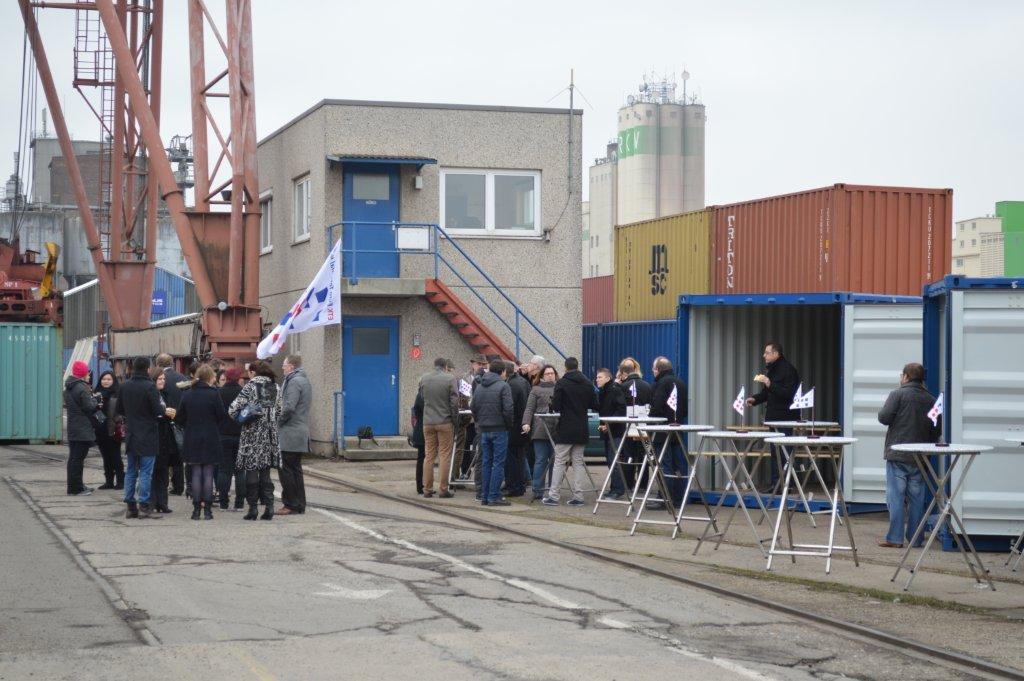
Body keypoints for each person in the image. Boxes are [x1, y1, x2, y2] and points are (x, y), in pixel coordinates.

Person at [877, 363, 941, 549]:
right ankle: (916, 538)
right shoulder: (931, 399)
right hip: (920, 457)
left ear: (905, 376)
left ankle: (895, 539)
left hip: (898, 454)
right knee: (917, 500)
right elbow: (937, 429)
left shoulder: (897, 394)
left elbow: (883, 418)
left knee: (895, 498)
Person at [229, 360, 281, 521]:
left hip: (252, 433)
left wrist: (242, 419)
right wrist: (270, 420)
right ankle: (270, 506)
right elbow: (280, 410)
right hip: (270, 434)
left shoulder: (250, 387)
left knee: (251, 470)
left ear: (253, 373)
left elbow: (232, 409)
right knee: (265, 471)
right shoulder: (276, 387)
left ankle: (252, 509)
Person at [543, 357, 597, 507]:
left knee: (560, 461)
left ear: (565, 367)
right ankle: (578, 496)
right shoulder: (587, 383)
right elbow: (593, 404)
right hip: (582, 428)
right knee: (578, 462)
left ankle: (553, 496)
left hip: (566, 428)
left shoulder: (562, 383)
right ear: (577, 366)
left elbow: (556, 406)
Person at [746, 341, 801, 486]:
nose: (764, 356)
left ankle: (786, 485)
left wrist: (770, 384)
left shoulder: (788, 370)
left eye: (767, 353)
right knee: (775, 453)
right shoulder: (772, 370)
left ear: (776, 354)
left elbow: (789, 394)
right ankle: (776, 484)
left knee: (784, 453)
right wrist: (755, 399)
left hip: (785, 419)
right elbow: (767, 394)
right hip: (773, 419)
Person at [117, 356, 166, 519]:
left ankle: (130, 506)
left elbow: (120, 409)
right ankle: (144, 505)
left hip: (131, 434)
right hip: (148, 435)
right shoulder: (150, 387)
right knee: (146, 472)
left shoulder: (124, 386)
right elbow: (158, 411)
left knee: (131, 471)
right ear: (147, 369)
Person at [177, 364, 227, 520]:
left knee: (196, 472)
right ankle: (208, 511)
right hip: (211, 436)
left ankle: (196, 509)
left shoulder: (187, 394)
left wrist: (189, 425)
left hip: (192, 436)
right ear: (210, 377)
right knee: (208, 473)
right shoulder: (214, 394)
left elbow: (180, 418)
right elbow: (221, 415)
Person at [471, 359, 513, 506]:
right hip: (499, 429)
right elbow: (508, 409)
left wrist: (480, 422)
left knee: (486, 462)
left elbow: (473, 407)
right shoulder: (504, 386)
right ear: (503, 372)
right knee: (498, 463)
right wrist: (508, 425)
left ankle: (484, 495)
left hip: (483, 429)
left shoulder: (480, 386)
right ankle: (494, 496)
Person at [649, 356, 689, 506]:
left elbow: (657, 407)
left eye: (653, 369)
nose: (652, 372)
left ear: (658, 369)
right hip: (678, 428)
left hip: (661, 430)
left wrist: (649, 421)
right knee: (679, 465)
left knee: (664, 464)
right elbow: (684, 409)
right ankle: (679, 498)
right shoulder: (680, 382)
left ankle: (665, 498)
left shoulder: (661, 383)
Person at [418, 357, 459, 499]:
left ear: (434, 365)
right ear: (445, 366)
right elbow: (454, 403)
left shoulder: (424, 378)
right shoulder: (450, 379)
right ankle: (443, 489)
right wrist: (455, 420)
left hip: (428, 422)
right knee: (444, 455)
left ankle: (427, 489)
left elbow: (422, 398)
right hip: (445, 421)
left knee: (429, 455)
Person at [278, 354, 312, 515]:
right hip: (299, 431)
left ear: (291, 366)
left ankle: (290, 503)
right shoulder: (303, 380)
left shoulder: (294, 382)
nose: (282, 367)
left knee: (287, 469)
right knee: (296, 469)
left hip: (290, 432)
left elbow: (289, 407)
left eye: (284, 365)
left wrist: (277, 422)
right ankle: (299, 504)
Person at [523, 365, 558, 500]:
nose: (550, 375)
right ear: (542, 375)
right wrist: (526, 423)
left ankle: (553, 489)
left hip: (556, 429)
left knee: (555, 461)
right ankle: (537, 489)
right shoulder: (536, 389)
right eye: (547, 373)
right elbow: (529, 408)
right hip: (540, 428)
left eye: (552, 373)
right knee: (541, 460)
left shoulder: (560, 388)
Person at [64, 360, 99, 496]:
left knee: (73, 458)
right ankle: (76, 489)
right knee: (78, 459)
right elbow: (89, 407)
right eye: (87, 373)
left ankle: (75, 486)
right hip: (82, 429)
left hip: (74, 427)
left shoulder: (69, 387)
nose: (89, 376)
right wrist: (95, 399)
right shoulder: (81, 388)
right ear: (83, 374)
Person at [619, 358, 652, 494]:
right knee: (643, 455)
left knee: (628, 455)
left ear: (623, 373)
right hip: (644, 426)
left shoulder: (622, 387)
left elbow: (620, 407)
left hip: (628, 426)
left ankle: (628, 483)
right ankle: (643, 484)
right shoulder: (647, 385)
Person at [454, 353, 489, 481]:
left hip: (482, 417)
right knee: (467, 446)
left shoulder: (488, 378)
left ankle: (481, 476)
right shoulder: (465, 378)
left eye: (483, 364)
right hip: (469, 418)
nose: (480, 366)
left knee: (481, 447)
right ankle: (465, 471)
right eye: (478, 364)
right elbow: (463, 397)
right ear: (473, 364)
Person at [595, 368, 627, 500]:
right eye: (597, 377)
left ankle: (618, 489)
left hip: (616, 431)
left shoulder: (615, 390)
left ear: (608, 378)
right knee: (609, 461)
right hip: (607, 430)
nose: (597, 380)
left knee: (615, 461)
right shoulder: (602, 392)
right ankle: (614, 488)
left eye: (600, 377)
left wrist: (609, 425)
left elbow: (621, 409)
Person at [217, 367, 246, 511]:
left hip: (223, 435)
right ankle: (239, 503)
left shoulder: (219, 393)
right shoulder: (244, 393)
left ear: (226, 378)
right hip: (241, 434)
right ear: (239, 378)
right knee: (240, 471)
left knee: (224, 470)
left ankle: (223, 503)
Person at [150, 369, 178, 514]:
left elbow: (172, 410)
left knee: (163, 472)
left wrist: (172, 413)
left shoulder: (165, 394)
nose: (161, 381)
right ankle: (153, 502)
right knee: (153, 472)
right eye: (159, 379)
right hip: (154, 436)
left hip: (166, 436)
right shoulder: (150, 394)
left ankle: (163, 503)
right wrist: (163, 412)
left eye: (163, 379)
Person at [93, 370, 124, 490]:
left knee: (115, 456)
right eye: (103, 379)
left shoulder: (117, 394)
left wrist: (118, 421)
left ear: (113, 381)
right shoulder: (96, 394)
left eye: (109, 379)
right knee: (106, 457)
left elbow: (121, 411)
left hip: (113, 430)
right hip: (100, 430)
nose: (106, 381)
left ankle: (120, 481)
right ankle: (109, 481)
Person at [505, 360, 532, 497]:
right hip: (524, 425)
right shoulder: (523, 382)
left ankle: (514, 487)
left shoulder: (510, 385)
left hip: (513, 427)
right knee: (520, 457)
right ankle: (520, 485)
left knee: (512, 459)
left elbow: (509, 408)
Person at [411, 391, 426, 495]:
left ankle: (420, 485)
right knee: (422, 458)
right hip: (422, 431)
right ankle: (421, 486)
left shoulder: (419, 395)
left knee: (421, 458)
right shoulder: (422, 396)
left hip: (420, 430)